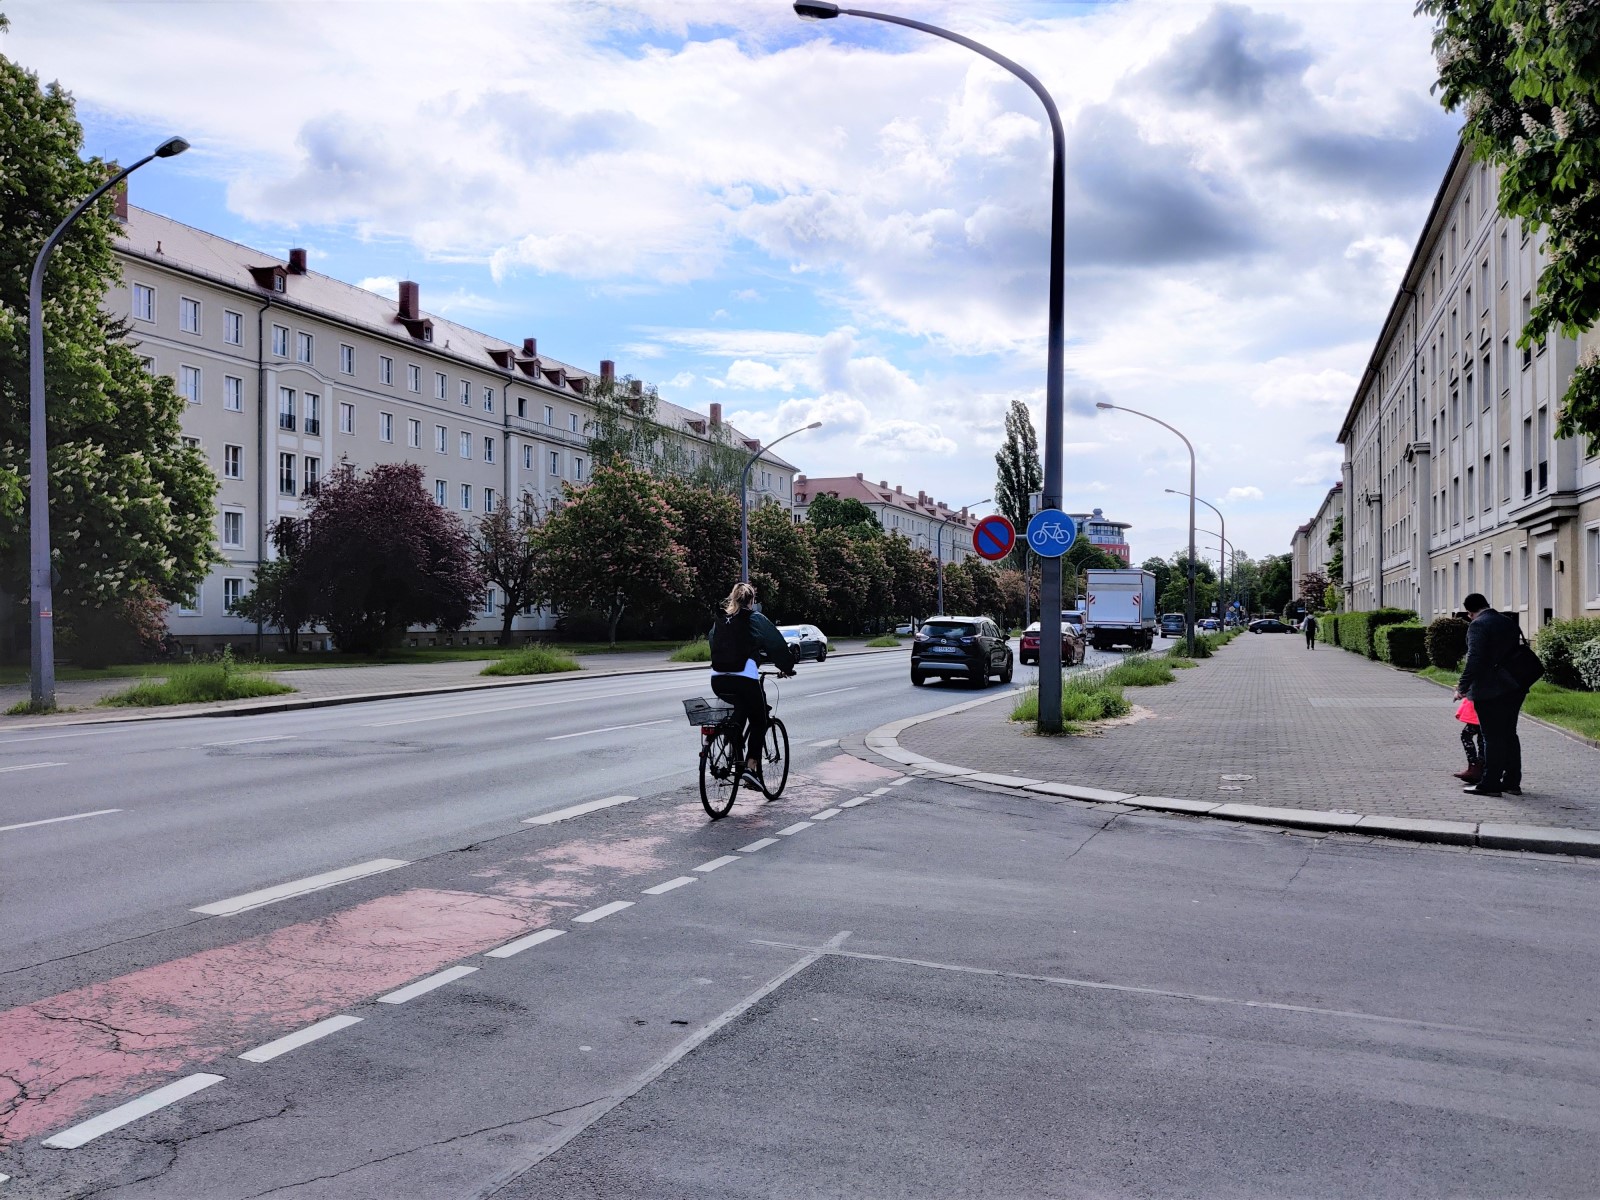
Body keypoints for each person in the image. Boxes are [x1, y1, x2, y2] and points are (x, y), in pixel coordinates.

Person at [708, 582, 796, 789]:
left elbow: (714, 644)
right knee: (760, 719)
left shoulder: (720, 621)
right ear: (752, 601)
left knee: (739, 713)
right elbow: (776, 644)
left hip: (718, 679)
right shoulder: (755, 618)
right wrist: (786, 666)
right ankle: (750, 766)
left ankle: (733, 748)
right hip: (744, 679)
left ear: (732, 599)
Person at [1453, 592, 1525, 797]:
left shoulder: (1477, 625)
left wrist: (1462, 687)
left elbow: (1475, 659)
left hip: (1489, 689)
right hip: (1514, 686)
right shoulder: (1507, 621)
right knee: (1510, 734)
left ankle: (1490, 783)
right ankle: (1512, 781)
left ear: (1469, 612)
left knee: (1491, 736)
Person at [1453, 696, 1485, 784]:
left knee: (1467, 735)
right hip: (1487, 702)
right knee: (1482, 737)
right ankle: (1480, 766)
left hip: (1479, 701)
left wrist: (1461, 690)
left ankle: (1475, 766)